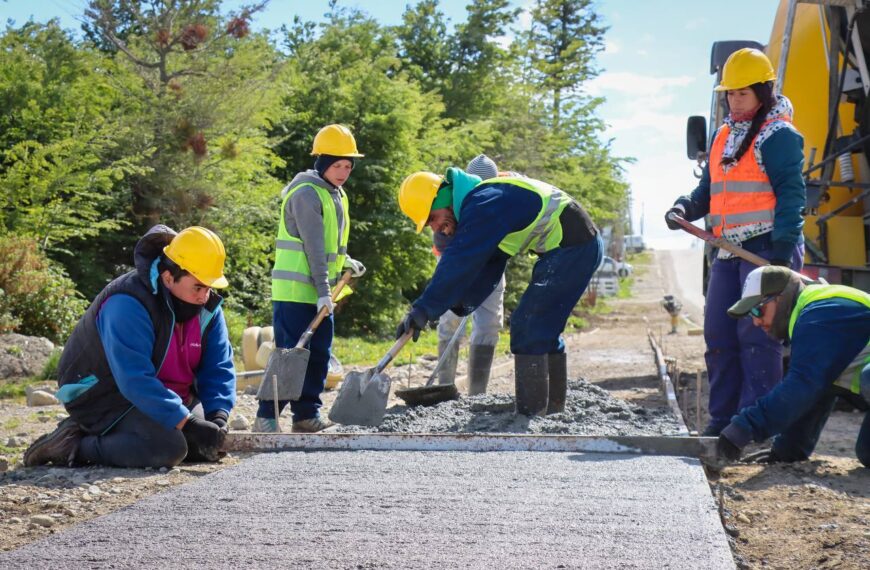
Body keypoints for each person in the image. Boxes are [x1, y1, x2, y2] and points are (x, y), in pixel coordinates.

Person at [664, 47, 807, 436]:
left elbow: (792, 197)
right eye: (729, 93)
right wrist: (683, 208)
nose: (734, 100)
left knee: (756, 338)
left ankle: (754, 430)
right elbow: (707, 191)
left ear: (764, 91)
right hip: (728, 251)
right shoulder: (723, 135)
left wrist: (779, 261)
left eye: (742, 93)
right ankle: (721, 424)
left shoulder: (779, 136)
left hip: (764, 250)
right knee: (719, 337)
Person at [23, 225, 236, 468]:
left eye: (209, 287)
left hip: (166, 394)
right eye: (198, 287)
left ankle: (144, 434)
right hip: (106, 396)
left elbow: (218, 366)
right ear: (168, 278)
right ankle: (73, 444)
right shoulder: (127, 302)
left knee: (204, 447)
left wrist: (218, 417)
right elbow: (134, 379)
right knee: (168, 448)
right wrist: (187, 423)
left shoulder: (208, 308)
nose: (204, 297)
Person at [396, 166, 603, 416]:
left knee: (529, 325)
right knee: (542, 329)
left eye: (432, 218)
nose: (436, 228)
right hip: (570, 248)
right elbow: (489, 266)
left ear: (442, 200)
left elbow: (460, 259)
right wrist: (461, 303)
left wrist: (424, 307)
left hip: (573, 247)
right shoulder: (485, 203)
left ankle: (532, 414)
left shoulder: (484, 203)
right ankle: (552, 411)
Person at [253, 124, 366, 433]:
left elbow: (330, 248)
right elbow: (313, 249)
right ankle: (266, 417)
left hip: (320, 294)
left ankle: (306, 415)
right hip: (295, 293)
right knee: (291, 355)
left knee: (318, 355)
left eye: (347, 166)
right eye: (336, 165)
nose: (343, 172)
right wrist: (324, 289)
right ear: (322, 163)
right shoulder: (306, 194)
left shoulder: (336, 194)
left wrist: (346, 262)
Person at [716, 266, 870, 468]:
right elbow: (816, 390)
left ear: (779, 298)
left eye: (757, 310)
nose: (755, 321)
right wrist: (787, 450)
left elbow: (802, 384)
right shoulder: (811, 316)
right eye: (750, 315)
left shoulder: (819, 315)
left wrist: (743, 428)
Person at [433, 154, 506, 394]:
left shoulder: (504, 201)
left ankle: (477, 393)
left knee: (489, 325)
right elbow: (445, 252)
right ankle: (444, 387)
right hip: (456, 268)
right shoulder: (450, 210)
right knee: (450, 321)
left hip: (493, 269)